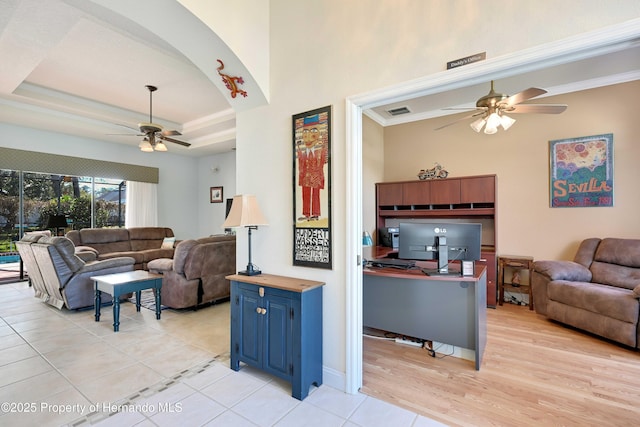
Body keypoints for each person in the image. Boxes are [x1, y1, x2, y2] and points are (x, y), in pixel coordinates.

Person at [296, 114, 328, 221]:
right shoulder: (303, 151)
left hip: (316, 176)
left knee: (315, 195)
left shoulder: (320, 150)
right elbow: (301, 161)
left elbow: (324, 160)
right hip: (305, 176)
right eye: (305, 133)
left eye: (313, 132)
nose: (308, 137)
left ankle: (315, 213)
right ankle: (306, 214)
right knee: (305, 194)